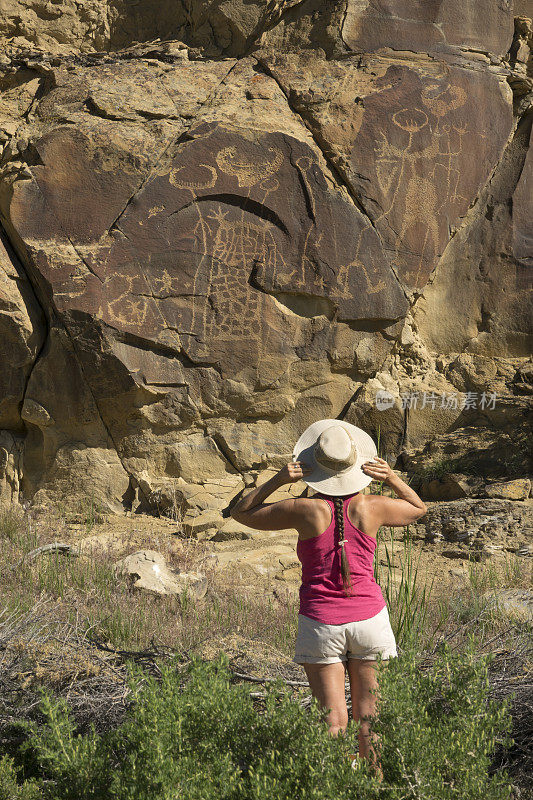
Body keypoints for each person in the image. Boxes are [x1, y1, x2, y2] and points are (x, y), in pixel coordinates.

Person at [230, 419, 428, 778]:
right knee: (371, 720)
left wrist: (278, 480)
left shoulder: (303, 510)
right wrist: (393, 479)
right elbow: (418, 509)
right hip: (370, 620)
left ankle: (336, 787)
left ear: (314, 468)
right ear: (356, 466)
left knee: (333, 721)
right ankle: (371, 786)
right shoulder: (374, 506)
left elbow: (241, 513)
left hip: (321, 623)